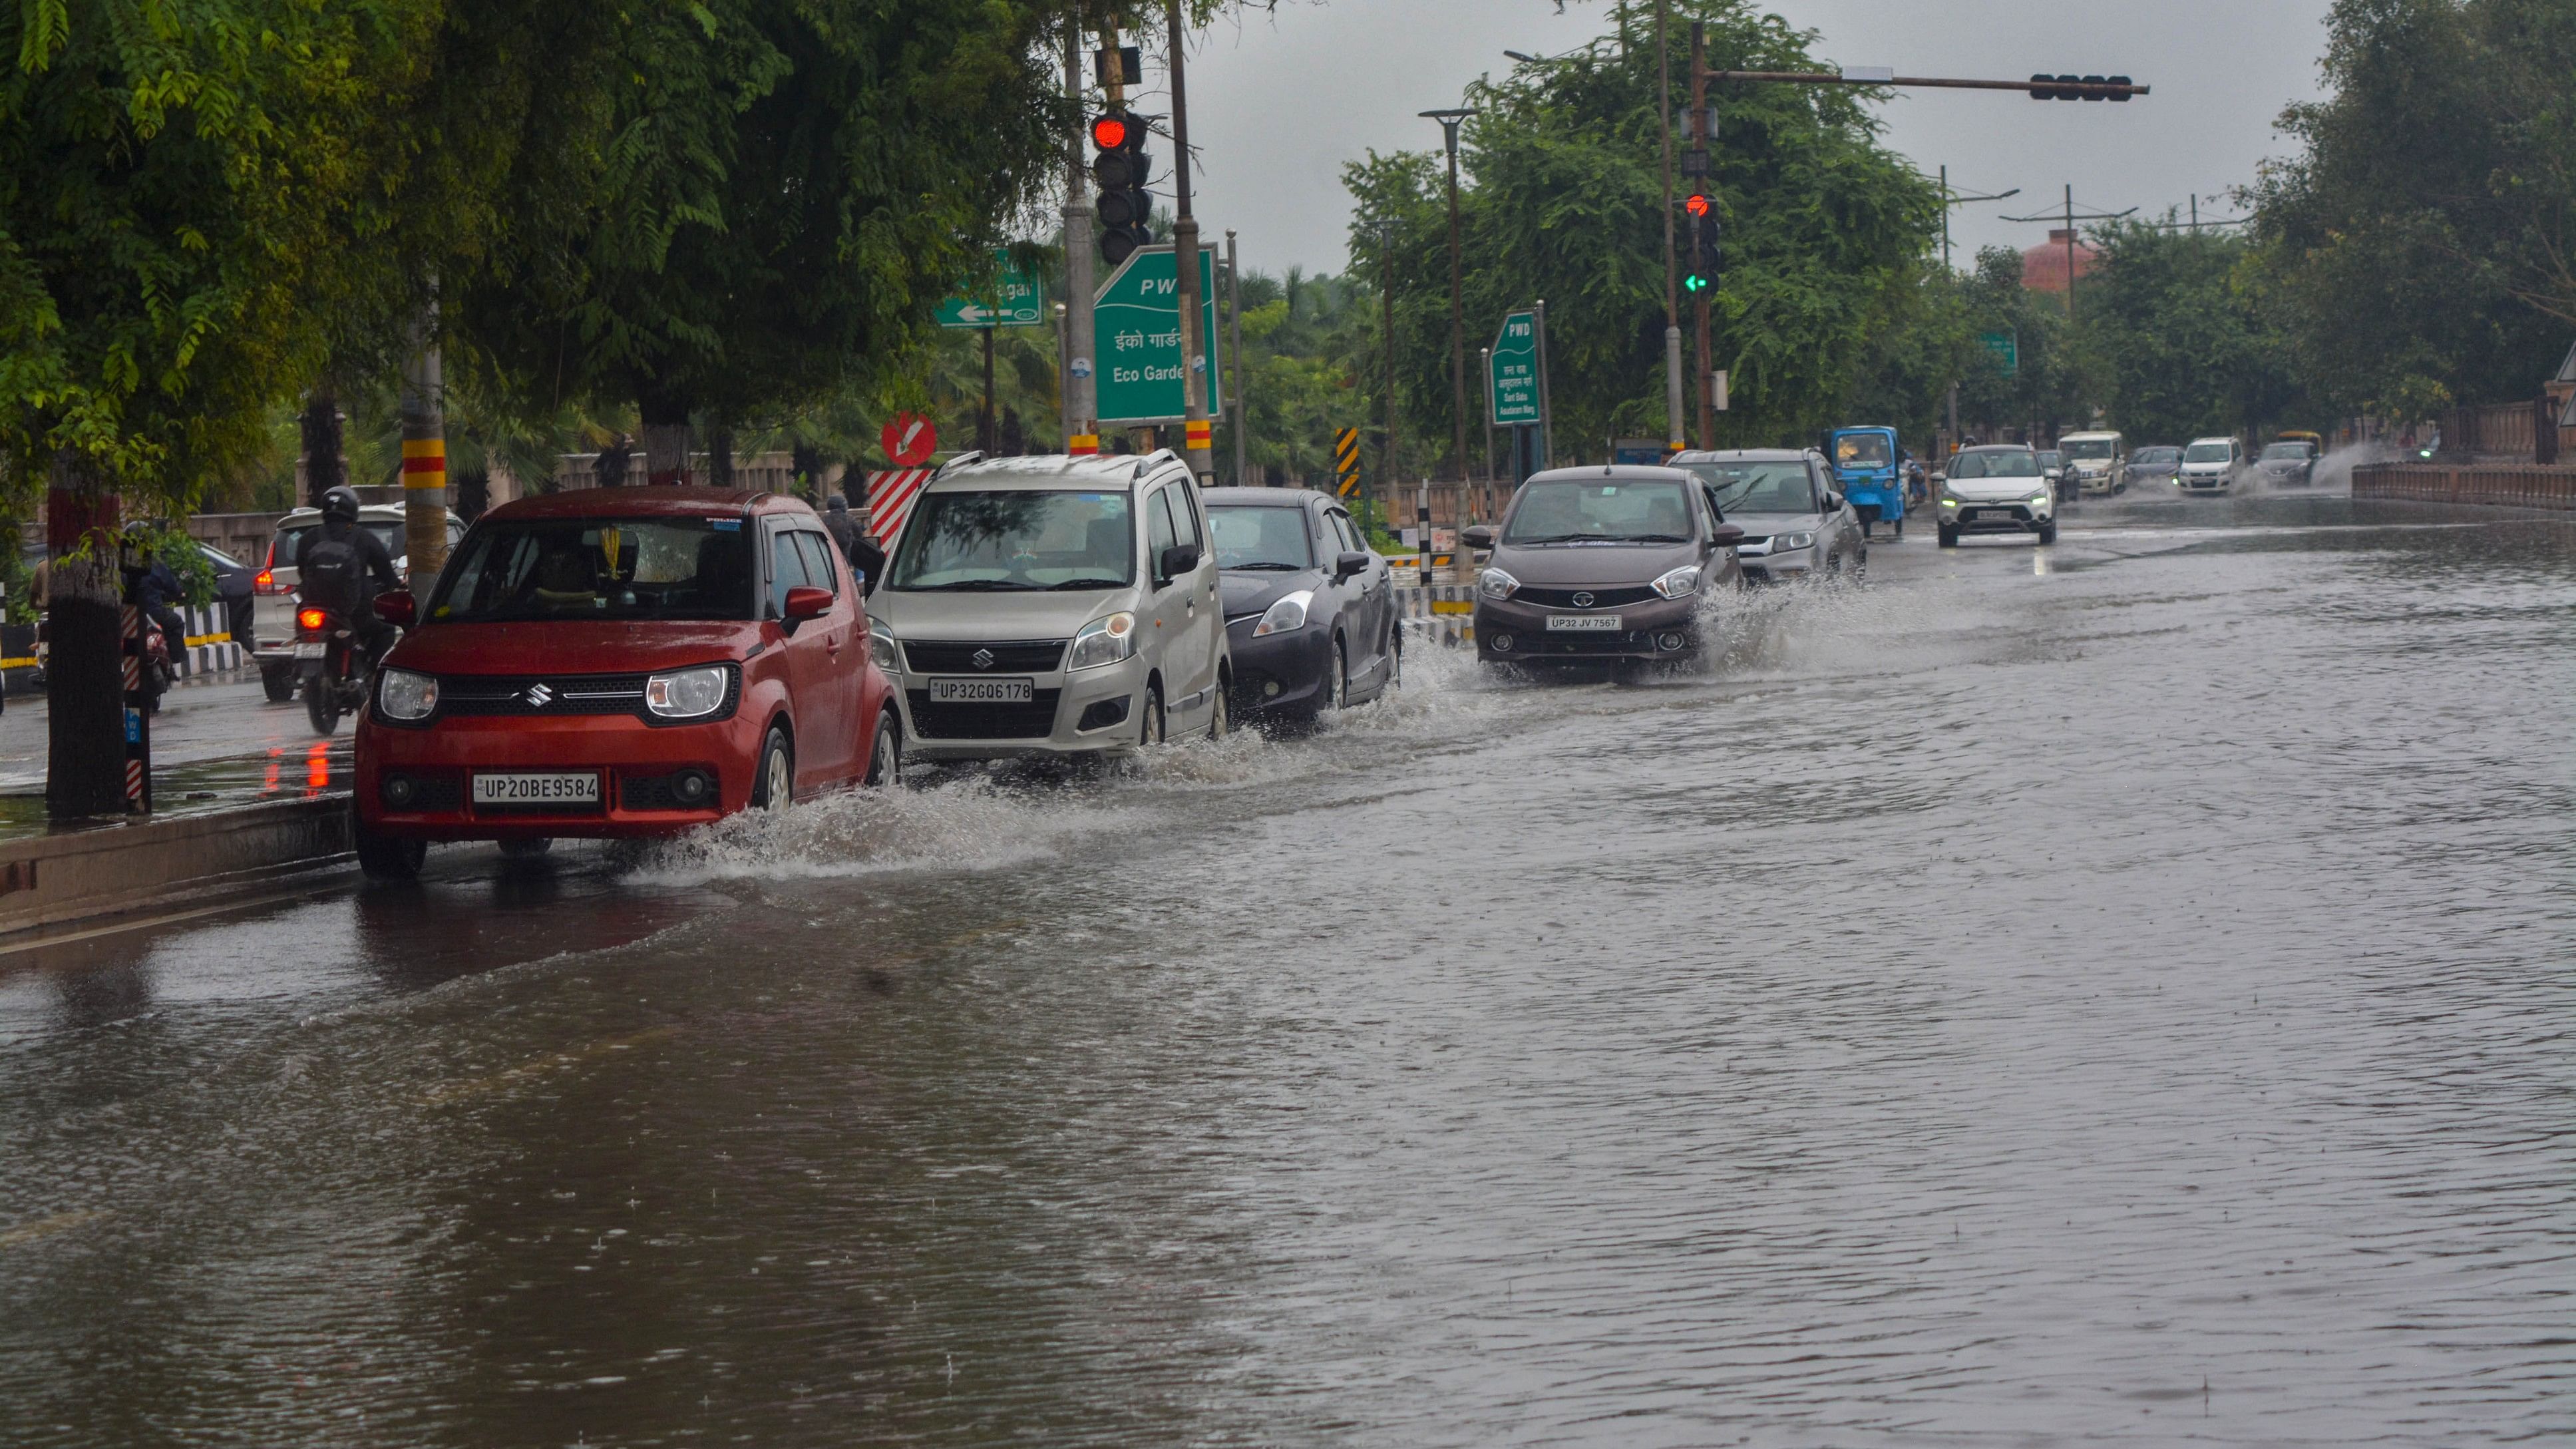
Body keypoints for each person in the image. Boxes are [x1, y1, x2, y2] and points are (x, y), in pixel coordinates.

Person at [294, 486, 400, 667]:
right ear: (352, 509)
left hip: (313, 610)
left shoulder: (308, 538)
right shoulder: (364, 538)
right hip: (353, 613)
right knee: (386, 630)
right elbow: (386, 574)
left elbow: (303, 571)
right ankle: (375, 677)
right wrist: (396, 585)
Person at [822, 493, 885, 593]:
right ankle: (861, 583)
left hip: (828, 559)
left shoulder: (823, 520)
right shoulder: (849, 519)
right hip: (848, 559)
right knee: (859, 555)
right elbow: (859, 534)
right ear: (843, 506)